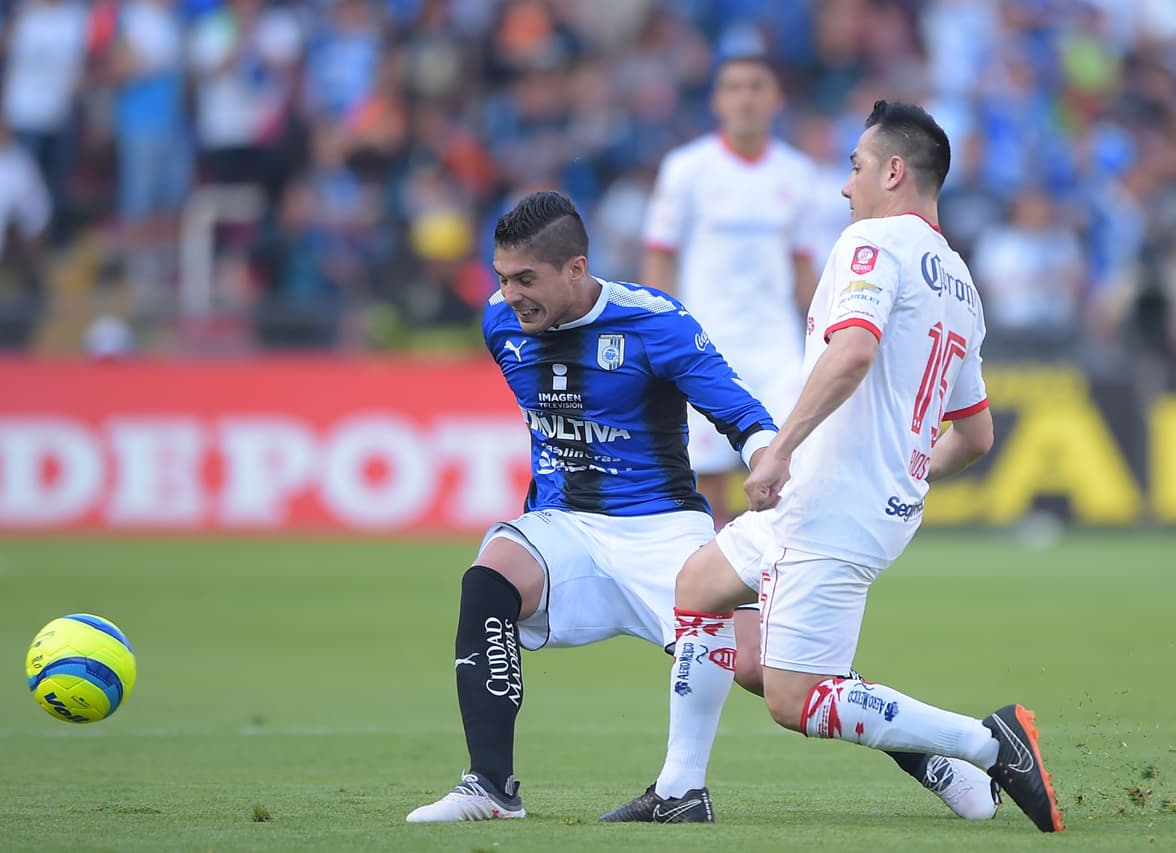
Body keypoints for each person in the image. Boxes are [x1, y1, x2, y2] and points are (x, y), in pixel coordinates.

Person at [406, 190, 995, 824]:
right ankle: (490, 789)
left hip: (663, 531)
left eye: (526, 279)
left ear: (576, 269)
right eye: (502, 278)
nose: (510, 295)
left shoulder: (655, 322)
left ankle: (936, 760)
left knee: (772, 668)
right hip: (566, 525)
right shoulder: (500, 324)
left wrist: (769, 462)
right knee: (488, 582)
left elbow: (739, 411)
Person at [601, 101, 1065, 834]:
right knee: (699, 587)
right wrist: (908, 473)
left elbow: (852, 352)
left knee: (796, 698)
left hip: (827, 499)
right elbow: (975, 434)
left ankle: (984, 742)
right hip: (854, 501)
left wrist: (779, 448)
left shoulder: (872, 242)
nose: (844, 187)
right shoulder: (963, 284)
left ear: (892, 170)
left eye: (854, 167)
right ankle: (680, 788)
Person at [641, 53, 817, 526]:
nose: (746, 98)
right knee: (708, 481)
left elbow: (805, 272)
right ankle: (714, 595)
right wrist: (660, 338)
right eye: (735, 87)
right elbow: (660, 256)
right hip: (705, 344)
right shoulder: (686, 169)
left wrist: (829, 339)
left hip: (775, 345)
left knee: (790, 468)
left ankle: (772, 585)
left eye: (757, 86)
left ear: (776, 99)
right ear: (717, 100)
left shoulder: (799, 175)